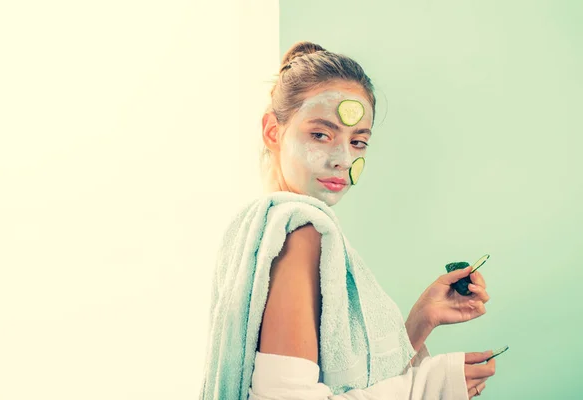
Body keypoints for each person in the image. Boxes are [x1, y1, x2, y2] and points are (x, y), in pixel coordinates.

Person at [200, 41, 496, 400]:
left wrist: (422, 319)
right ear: (272, 131)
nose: (342, 158)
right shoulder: (301, 232)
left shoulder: (263, 230)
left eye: (358, 142)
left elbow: (342, 380)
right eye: (321, 134)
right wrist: (429, 386)